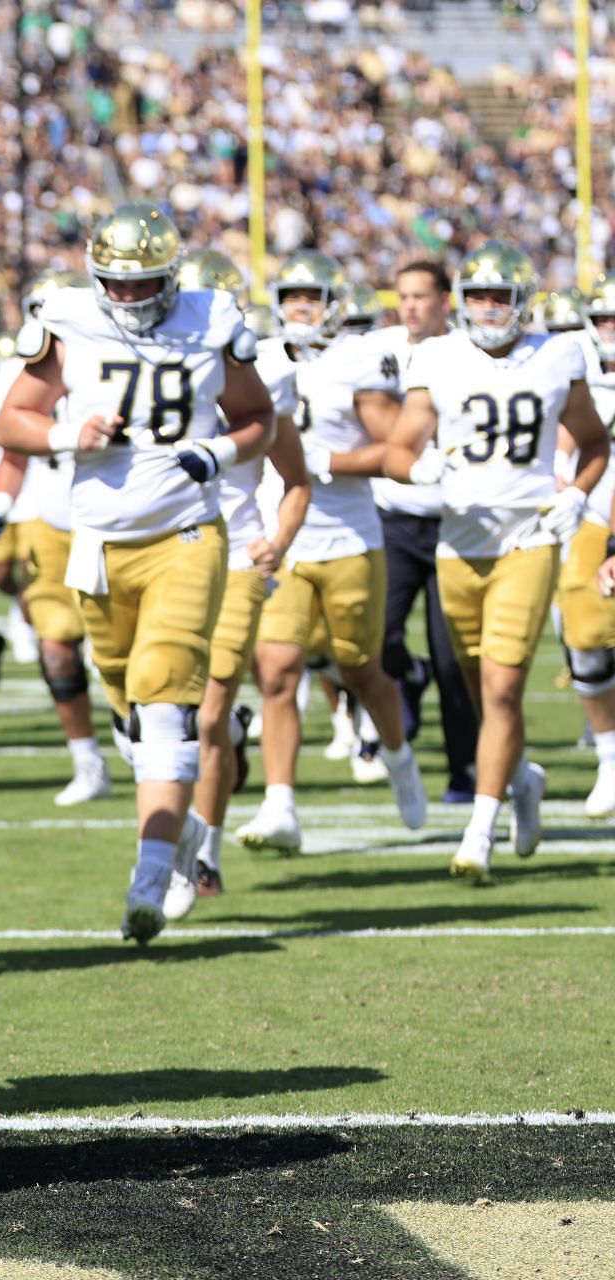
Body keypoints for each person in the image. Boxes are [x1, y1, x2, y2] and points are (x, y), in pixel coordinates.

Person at [0, 203, 275, 944]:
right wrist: (66, 433)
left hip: (187, 535)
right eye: (114, 284)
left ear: (170, 276)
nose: (127, 298)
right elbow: (13, 419)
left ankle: (149, 878)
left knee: (163, 699)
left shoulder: (213, 317)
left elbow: (258, 419)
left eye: (142, 283)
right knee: (129, 715)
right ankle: (175, 831)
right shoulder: (67, 317)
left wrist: (217, 452)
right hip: (97, 543)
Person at [385, 241, 607, 882]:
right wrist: (417, 466)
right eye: (477, 296)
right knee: (482, 696)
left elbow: (593, 442)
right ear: (461, 300)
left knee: (505, 687)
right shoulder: (436, 357)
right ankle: (523, 781)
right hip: (458, 546)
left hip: (528, 539)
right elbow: (400, 446)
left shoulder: (558, 354)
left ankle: (478, 833)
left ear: (523, 301)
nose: (487, 309)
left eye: (500, 297)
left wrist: (576, 494)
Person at [236, 251, 428, 853]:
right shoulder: (258, 358)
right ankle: (280, 804)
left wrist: (328, 462)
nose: (299, 308)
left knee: (362, 672)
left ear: (335, 304)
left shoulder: (358, 360)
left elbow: (398, 447)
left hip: (349, 539)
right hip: (279, 539)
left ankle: (399, 760)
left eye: (310, 297)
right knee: (277, 672)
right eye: (290, 296)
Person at [161, 249, 311, 906]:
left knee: (207, 714)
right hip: (153, 552)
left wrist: (277, 540)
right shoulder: (143, 360)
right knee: (152, 718)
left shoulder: (264, 370)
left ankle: (199, 854)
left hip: (233, 554)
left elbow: (297, 475)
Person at [0, 269, 113, 807]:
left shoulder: (114, 353)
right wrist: (2, 499)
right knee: (57, 647)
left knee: (120, 652)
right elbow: (12, 444)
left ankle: (140, 731)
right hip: (50, 517)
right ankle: (88, 759)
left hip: (113, 519)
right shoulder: (22, 368)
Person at [371, 262, 478, 801]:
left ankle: (465, 770)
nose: (410, 306)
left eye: (421, 296)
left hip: (455, 520)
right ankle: (406, 676)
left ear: (445, 301)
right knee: (375, 637)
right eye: (403, 296)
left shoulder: (468, 351)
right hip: (393, 513)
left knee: (453, 654)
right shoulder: (376, 348)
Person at [557, 275, 615, 813]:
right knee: (585, 637)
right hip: (590, 520)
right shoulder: (578, 375)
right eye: (605, 320)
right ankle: (610, 758)